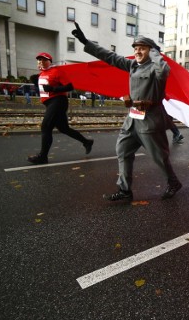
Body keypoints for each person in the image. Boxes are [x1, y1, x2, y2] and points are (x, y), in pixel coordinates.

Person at [71, 23, 182, 202]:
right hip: (132, 120)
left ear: (151, 50)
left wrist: (155, 52)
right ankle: (125, 190)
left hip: (150, 121)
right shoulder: (132, 65)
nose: (137, 51)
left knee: (159, 158)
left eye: (142, 48)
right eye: (136, 48)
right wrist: (86, 42)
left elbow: (164, 71)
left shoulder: (156, 67)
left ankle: (173, 182)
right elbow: (110, 56)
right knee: (122, 150)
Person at [27, 52, 94, 164]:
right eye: (39, 60)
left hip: (58, 101)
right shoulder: (42, 74)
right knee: (63, 128)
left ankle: (43, 157)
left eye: (44, 60)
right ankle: (87, 142)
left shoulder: (56, 71)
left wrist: (53, 89)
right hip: (50, 103)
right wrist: (35, 82)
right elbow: (44, 91)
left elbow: (70, 86)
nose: (41, 62)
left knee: (46, 127)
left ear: (50, 61)